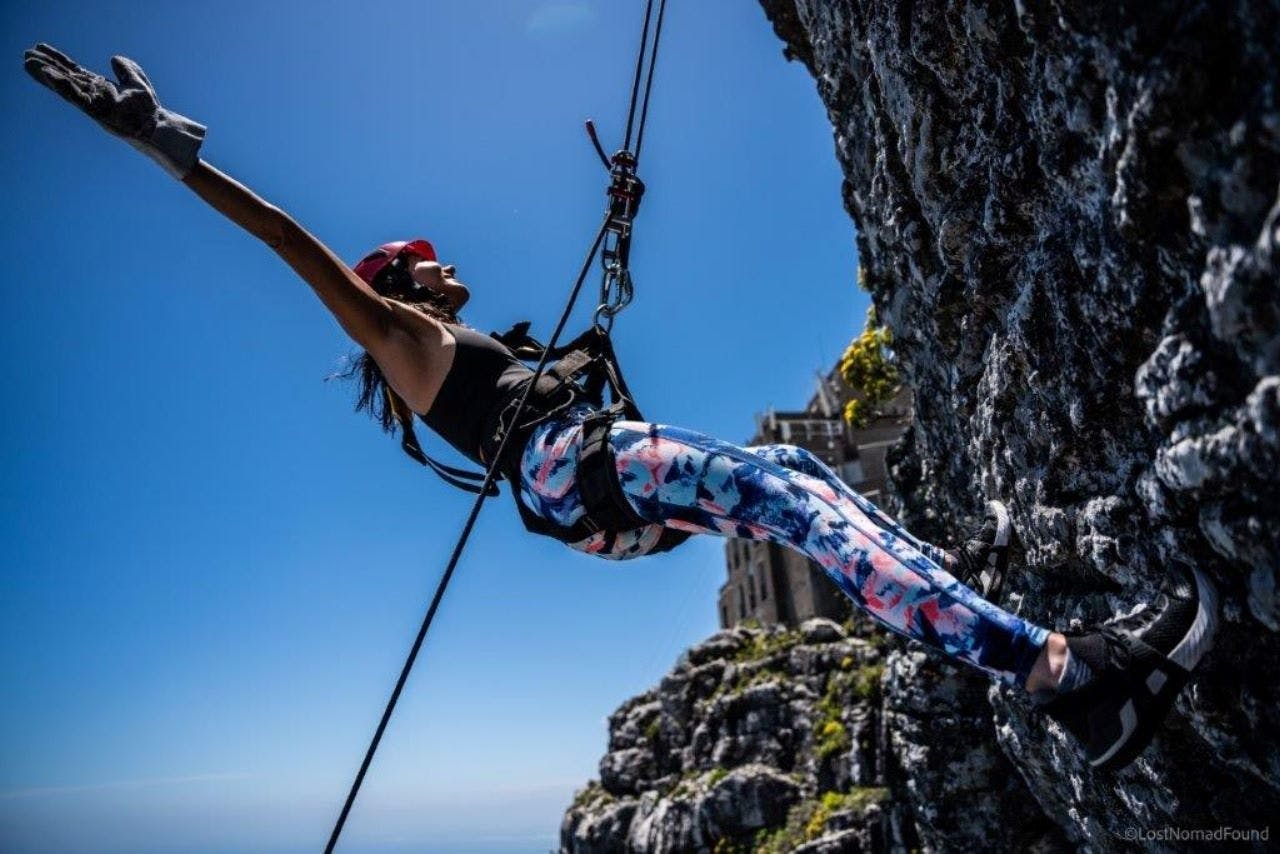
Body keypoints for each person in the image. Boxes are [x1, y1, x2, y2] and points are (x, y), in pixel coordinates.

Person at [23, 43, 1219, 772]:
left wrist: (624, 217)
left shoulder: (454, 347)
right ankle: (1063, 669)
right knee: (793, 490)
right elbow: (293, 244)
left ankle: (1034, 653)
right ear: (389, 289)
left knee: (805, 492)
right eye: (420, 258)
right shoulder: (395, 333)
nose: (443, 261)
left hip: (581, 489)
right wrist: (175, 157)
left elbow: (591, 326)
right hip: (568, 469)